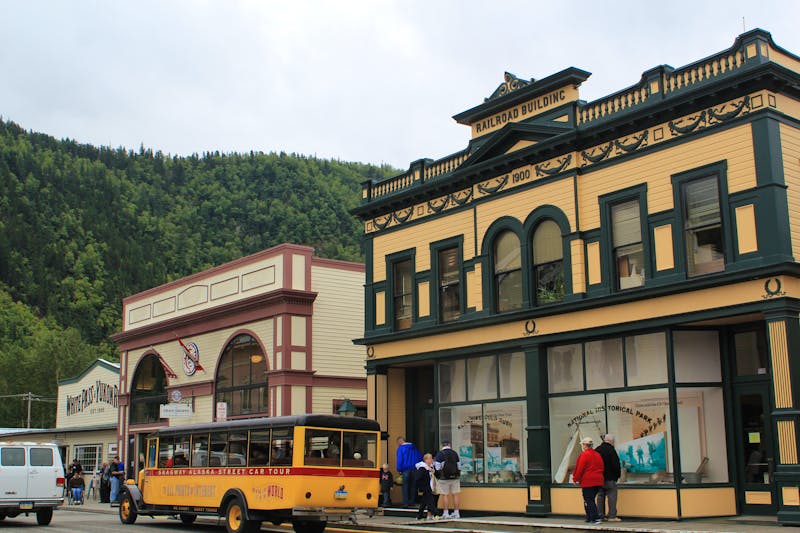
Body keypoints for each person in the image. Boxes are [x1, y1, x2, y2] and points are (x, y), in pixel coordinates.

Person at [573, 437, 604, 525]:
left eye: (582, 444)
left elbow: (579, 468)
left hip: (588, 481)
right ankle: (589, 517)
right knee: (590, 499)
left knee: (588, 500)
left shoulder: (584, 455)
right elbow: (602, 467)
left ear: (584, 445)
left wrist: (576, 478)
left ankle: (595, 517)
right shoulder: (598, 455)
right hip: (598, 480)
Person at [596, 434, 622, 522]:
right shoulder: (611, 450)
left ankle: (600, 515)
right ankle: (612, 516)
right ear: (612, 441)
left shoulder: (597, 450)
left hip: (599, 478)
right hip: (610, 478)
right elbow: (616, 465)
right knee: (612, 496)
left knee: (600, 496)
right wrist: (617, 476)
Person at [434, 439, 461, 519]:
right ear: (449, 444)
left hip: (444, 478)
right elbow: (459, 466)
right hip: (455, 477)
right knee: (455, 494)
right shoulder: (454, 453)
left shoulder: (440, 454)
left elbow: (437, 467)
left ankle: (446, 513)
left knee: (445, 495)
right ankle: (456, 512)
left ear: (442, 445)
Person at [396, 437, 423, 508]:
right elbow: (420, 458)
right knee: (413, 486)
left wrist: (399, 469)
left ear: (400, 442)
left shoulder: (401, 448)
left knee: (405, 486)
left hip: (405, 469)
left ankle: (405, 502)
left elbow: (400, 459)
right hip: (415, 469)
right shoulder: (414, 448)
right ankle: (412, 501)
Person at [415, 453, 439, 521]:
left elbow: (437, 475)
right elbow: (418, 478)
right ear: (426, 459)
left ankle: (419, 516)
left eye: (432, 458)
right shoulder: (422, 468)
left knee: (424, 502)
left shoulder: (431, 467)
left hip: (430, 487)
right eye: (430, 458)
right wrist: (420, 487)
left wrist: (433, 471)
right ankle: (436, 514)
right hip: (425, 487)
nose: (432, 460)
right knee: (430, 501)